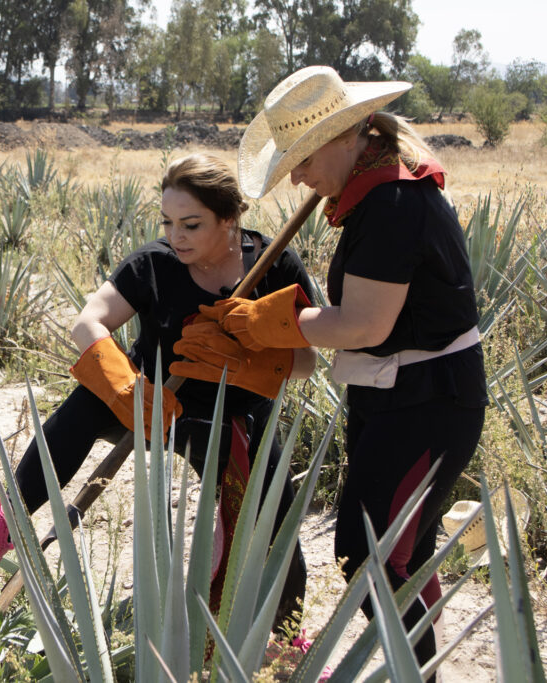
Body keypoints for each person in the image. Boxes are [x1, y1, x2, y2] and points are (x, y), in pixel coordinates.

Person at [175, 66, 487, 680]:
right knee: (398, 552)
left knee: (370, 555)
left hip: (427, 401)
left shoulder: (394, 202)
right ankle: (417, 670)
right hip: (392, 396)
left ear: (348, 136)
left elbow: (365, 324)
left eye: (302, 156)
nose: (295, 175)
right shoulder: (374, 197)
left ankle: (411, 672)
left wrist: (267, 321)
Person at [0, 153, 317, 623]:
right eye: (168, 222)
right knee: (89, 399)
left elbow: (307, 363)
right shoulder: (156, 264)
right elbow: (88, 322)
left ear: (229, 218)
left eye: (191, 224)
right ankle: (4, 520)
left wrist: (250, 349)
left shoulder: (275, 267)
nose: (176, 236)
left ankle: (282, 638)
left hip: (237, 419)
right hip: (155, 404)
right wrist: (126, 387)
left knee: (274, 521)